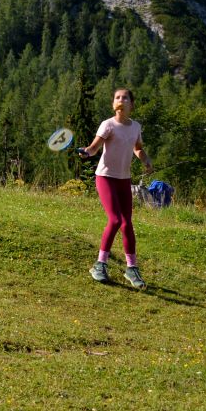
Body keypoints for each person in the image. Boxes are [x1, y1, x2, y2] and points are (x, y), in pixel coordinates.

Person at [77, 87, 154, 290]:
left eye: (125, 97)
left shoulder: (136, 126)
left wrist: (145, 159)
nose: (121, 100)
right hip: (105, 178)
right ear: (114, 104)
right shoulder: (108, 125)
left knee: (127, 223)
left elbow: (137, 148)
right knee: (115, 219)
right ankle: (100, 265)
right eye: (117, 97)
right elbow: (94, 147)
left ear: (131, 104)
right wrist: (87, 152)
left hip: (123, 179)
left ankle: (132, 268)